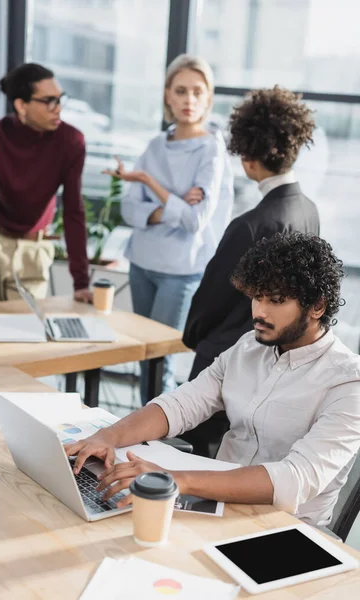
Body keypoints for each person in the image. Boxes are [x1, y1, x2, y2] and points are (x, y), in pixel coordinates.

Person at [66, 233, 360, 528]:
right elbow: (181, 405)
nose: (259, 311)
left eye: (276, 300)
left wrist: (177, 479)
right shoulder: (249, 348)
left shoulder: (348, 384)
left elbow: (295, 478)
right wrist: (109, 436)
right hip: (212, 505)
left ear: (317, 306)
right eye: (257, 297)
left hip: (284, 528)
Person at [181, 86, 320, 456]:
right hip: (272, 362)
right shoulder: (308, 211)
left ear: (247, 157)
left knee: (203, 462)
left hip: (230, 360)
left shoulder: (251, 225)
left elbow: (210, 300)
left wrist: (195, 339)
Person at [104, 54, 234, 404]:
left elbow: (196, 220)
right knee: (141, 355)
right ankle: (135, 439)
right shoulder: (155, 145)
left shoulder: (212, 150)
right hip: (143, 262)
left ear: (208, 97)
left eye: (197, 91)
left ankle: (155, 446)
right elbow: (129, 209)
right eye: (181, 91)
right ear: (167, 96)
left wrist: (149, 183)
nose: (189, 100)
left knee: (161, 360)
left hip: (180, 270)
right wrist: (175, 203)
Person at [0, 62, 91, 305]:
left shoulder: (71, 141)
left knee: (27, 332)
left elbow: (73, 211)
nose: (58, 109)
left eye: (60, 99)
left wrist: (81, 283)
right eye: (49, 101)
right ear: (21, 105)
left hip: (34, 250)